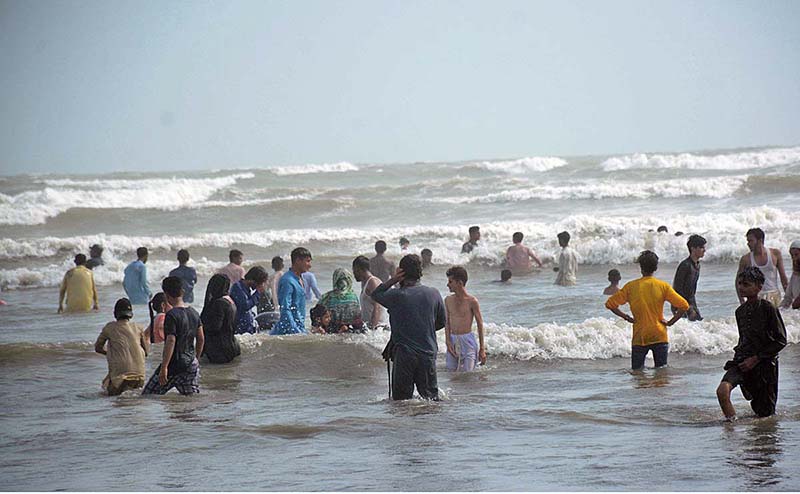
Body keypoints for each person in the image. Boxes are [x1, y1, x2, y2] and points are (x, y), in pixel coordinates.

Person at [371, 254, 446, 400]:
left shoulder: (397, 295)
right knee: (431, 400)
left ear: (402, 272)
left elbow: (376, 294)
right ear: (420, 272)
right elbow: (442, 322)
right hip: (428, 353)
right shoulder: (434, 293)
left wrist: (393, 279)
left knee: (402, 402)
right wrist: (423, 329)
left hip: (405, 355)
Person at [716, 267, 787, 420]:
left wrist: (755, 359)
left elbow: (781, 340)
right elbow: (743, 340)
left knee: (764, 415)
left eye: (746, 284)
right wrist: (738, 361)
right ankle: (731, 427)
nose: (741, 287)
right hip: (742, 363)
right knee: (722, 391)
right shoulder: (740, 312)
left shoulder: (769, 309)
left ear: (759, 287)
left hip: (765, 367)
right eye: (740, 284)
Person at [605, 250, 689, 370]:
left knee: (638, 375)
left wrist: (626, 317)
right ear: (655, 268)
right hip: (659, 334)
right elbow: (684, 305)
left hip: (640, 336)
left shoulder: (631, 287)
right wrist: (670, 322)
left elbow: (610, 304)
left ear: (641, 267)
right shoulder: (663, 286)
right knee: (661, 373)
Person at [142, 276, 204, 396]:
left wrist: (164, 367)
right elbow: (201, 339)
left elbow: (171, 340)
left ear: (166, 294)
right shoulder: (194, 312)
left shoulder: (171, 315)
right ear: (182, 291)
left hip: (174, 365)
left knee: (148, 395)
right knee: (191, 399)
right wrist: (196, 359)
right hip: (191, 364)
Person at [94, 298, 149, 396]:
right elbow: (146, 352)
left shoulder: (109, 327)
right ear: (131, 314)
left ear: (115, 313)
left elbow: (98, 347)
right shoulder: (138, 327)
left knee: (106, 395)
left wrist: (110, 353)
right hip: (140, 377)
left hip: (120, 379)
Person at [444, 266, 486, 372]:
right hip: (453, 339)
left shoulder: (472, 301)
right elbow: (447, 322)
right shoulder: (448, 300)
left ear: (460, 283)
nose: (447, 284)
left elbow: (480, 324)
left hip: (468, 341)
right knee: (451, 372)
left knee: (468, 374)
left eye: (450, 281)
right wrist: (448, 341)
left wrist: (482, 349)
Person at [736, 228, 788, 307]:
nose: (748, 244)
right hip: (756, 297)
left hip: (774, 295)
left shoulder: (775, 254)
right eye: (747, 241)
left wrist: (788, 298)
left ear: (760, 240)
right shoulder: (745, 259)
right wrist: (742, 302)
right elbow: (738, 281)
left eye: (751, 241)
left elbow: (783, 278)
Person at [270, 247, 312, 335]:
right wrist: (296, 333)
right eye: (307, 261)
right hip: (286, 332)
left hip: (298, 327)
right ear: (298, 260)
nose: (310, 265)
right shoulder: (287, 281)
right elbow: (285, 309)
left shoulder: (301, 279)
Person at [200, 274, 241, 364]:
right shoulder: (230, 300)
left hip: (219, 350)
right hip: (232, 346)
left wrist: (198, 327)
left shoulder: (219, 303)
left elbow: (215, 327)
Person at [671, 234, 706, 321]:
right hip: (680, 304)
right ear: (693, 248)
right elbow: (677, 288)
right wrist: (688, 307)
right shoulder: (685, 265)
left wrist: (692, 306)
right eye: (701, 247)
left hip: (691, 302)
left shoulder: (697, 265)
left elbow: (692, 290)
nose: (704, 250)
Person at [318, 269, 363, 333]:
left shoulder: (326, 297)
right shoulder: (354, 297)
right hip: (349, 331)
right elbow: (357, 319)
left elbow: (316, 314)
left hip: (330, 331)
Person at [353, 255, 389, 330]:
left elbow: (378, 306)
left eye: (354, 270)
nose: (354, 274)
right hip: (371, 327)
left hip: (379, 328)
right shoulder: (366, 283)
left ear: (358, 269)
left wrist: (372, 329)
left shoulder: (373, 282)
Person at [230, 266, 268, 334]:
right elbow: (245, 306)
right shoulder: (238, 288)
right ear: (253, 280)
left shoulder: (246, 289)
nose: (259, 286)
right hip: (240, 330)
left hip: (248, 329)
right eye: (259, 284)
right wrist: (258, 293)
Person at [779, 240, 800, 309]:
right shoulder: (795, 275)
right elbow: (788, 298)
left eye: (796, 255)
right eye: (792, 255)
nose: (794, 258)